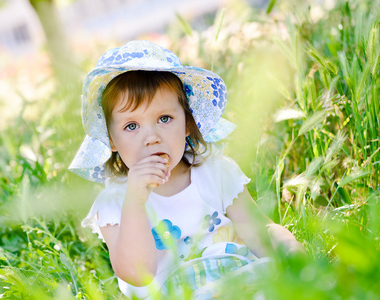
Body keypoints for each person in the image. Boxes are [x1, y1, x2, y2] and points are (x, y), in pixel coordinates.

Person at [69, 40, 304, 299]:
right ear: (111, 140)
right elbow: (138, 274)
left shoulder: (215, 172)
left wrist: (289, 248)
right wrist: (134, 200)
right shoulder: (114, 202)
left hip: (237, 277)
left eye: (164, 119)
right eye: (132, 126)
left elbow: (258, 230)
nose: (151, 137)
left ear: (187, 124)